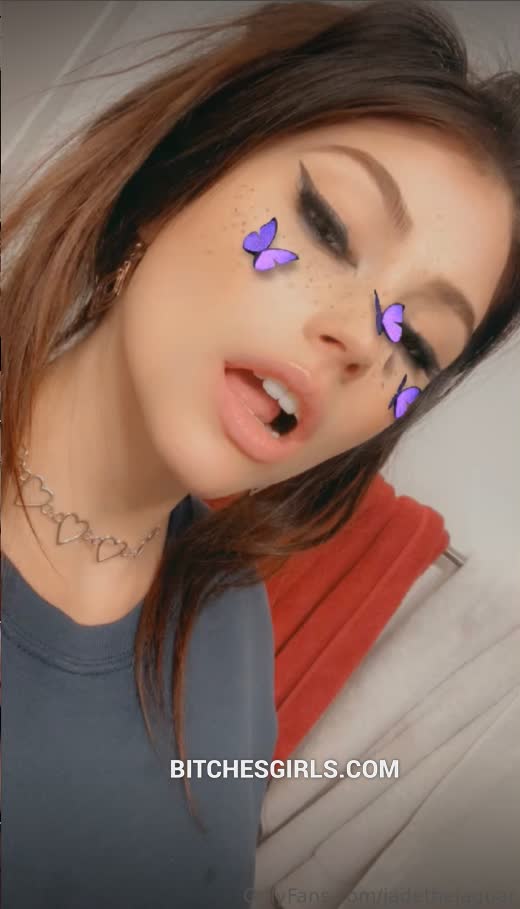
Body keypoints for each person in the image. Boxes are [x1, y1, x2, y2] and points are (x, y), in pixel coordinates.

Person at [1, 0, 519, 906]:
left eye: (418, 345)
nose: (362, 339)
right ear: (173, 183)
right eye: (328, 226)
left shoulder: (232, 620)